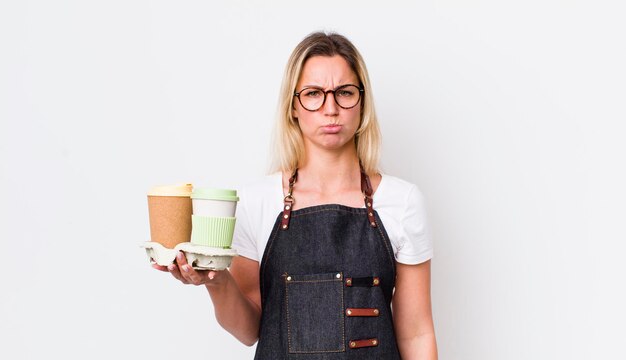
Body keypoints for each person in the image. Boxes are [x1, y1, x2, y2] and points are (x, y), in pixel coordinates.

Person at [153, 31, 438, 359]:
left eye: (344, 93)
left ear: (362, 103)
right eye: (314, 94)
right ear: (293, 107)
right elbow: (247, 330)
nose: (330, 108)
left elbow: (417, 334)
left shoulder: (402, 202)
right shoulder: (256, 201)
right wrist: (215, 281)